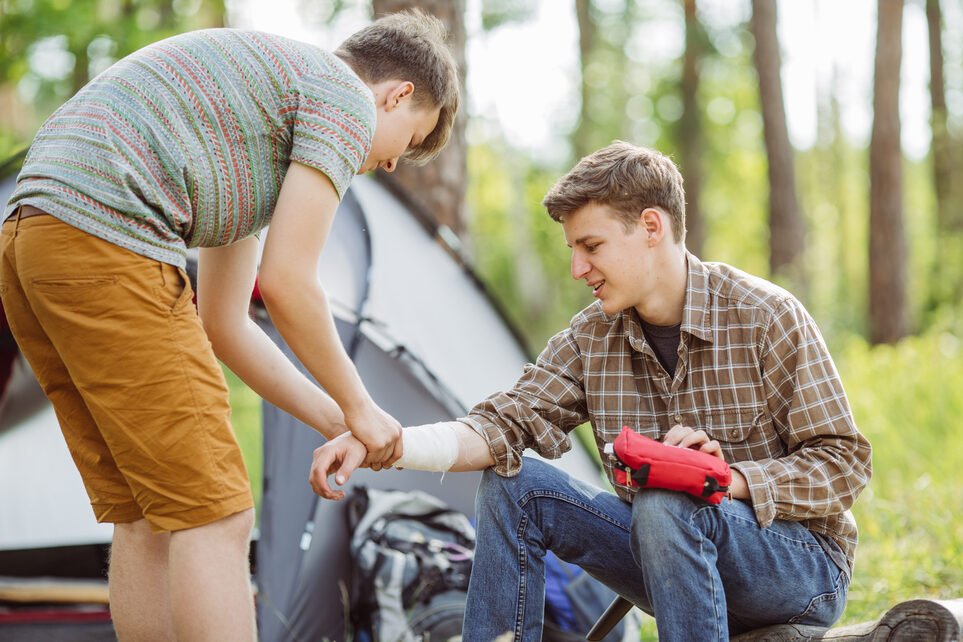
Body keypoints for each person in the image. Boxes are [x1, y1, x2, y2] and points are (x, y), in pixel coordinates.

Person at [0, 10, 458, 641]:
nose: (389, 166)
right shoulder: (343, 97)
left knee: (148, 515)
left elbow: (226, 325)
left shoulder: (245, 135)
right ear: (396, 94)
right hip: (109, 238)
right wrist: (363, 404)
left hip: (33, 240)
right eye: (406, 143)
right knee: (216, 515)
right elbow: (291, 286)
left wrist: (340, 421)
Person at [310, 141, 873, 641]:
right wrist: (386, 442)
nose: (578, 267)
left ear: (652, 227)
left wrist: (732, 480)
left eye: (592, 246)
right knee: (515, 486)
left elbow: (845, 462)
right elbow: (505, 423)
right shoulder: (590, 338)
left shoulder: (765, 314)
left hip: (797, 568)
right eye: (574, 249)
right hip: (666, 558)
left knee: (666, 499)